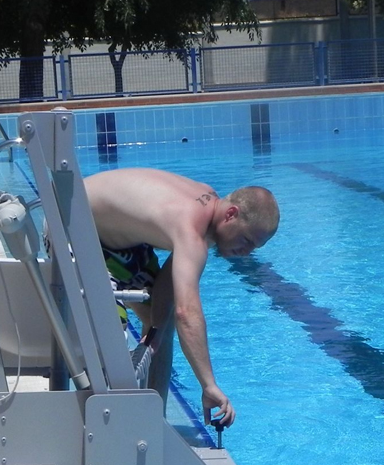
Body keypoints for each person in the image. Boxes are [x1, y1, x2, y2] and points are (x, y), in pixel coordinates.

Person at [84, 168, 280, 428]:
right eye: (246, 240)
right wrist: (208, 385)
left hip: (120, 245)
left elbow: (169, 289)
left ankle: (153, 423)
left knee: (160, 329)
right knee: (111, 336)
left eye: (254, 247)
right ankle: (104, 427)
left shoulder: (210, 211)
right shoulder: (192, 229)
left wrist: (156, 326)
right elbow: (187, 313)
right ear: (231, 215)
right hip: (74, 233)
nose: (246, 253)